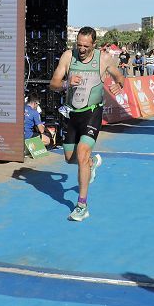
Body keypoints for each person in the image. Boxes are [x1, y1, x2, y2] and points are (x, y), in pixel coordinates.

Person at [49, 26, 126, 222]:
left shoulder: (103, 59)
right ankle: (90, 165)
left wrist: (119, 85)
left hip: (93, 113)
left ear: (94, 44)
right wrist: (66, 83)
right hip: (72, 114)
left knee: (82, 153)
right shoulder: (68, 56)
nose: (81, 49)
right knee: (69, 158)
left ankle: (82, 205)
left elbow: (120, 77)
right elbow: (53, 84)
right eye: (79, 45)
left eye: (85, 46)